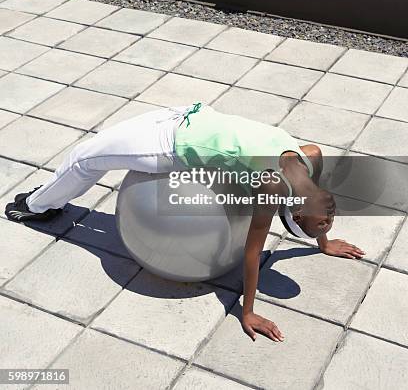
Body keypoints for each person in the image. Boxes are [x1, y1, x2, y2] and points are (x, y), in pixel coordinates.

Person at [5, 102, 364, 341]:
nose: (327, 217)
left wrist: (325, 244)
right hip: (182, 118)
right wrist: (249, 310)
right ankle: (44, 201)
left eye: (324, 221)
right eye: (324, 219)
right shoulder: (293, 171)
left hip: (171, 139)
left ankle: (35, 204)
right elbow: (255, 253)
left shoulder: (295, 169)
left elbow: (253, 253)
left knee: (87, 157)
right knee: (86, 159)